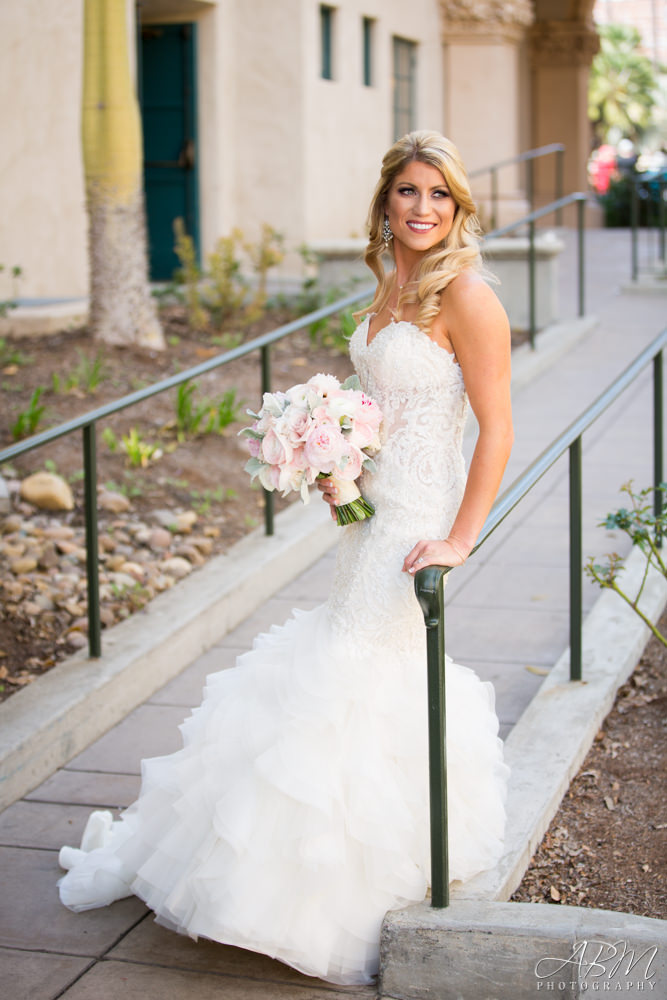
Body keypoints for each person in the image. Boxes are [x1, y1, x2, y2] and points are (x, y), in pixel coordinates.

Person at [58, 130, 513, 986]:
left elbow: (499, 429)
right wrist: (333, 458)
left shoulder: (469, 297)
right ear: (385, 201)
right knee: (355, 675)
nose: (421, 209)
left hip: (416, 521)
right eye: (407, 192)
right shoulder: (391, 284)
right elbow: (381, 405)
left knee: (348, 671)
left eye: (438, 196)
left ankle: (327, 890)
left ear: (458, 207)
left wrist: (459, 538)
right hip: (367, 518)